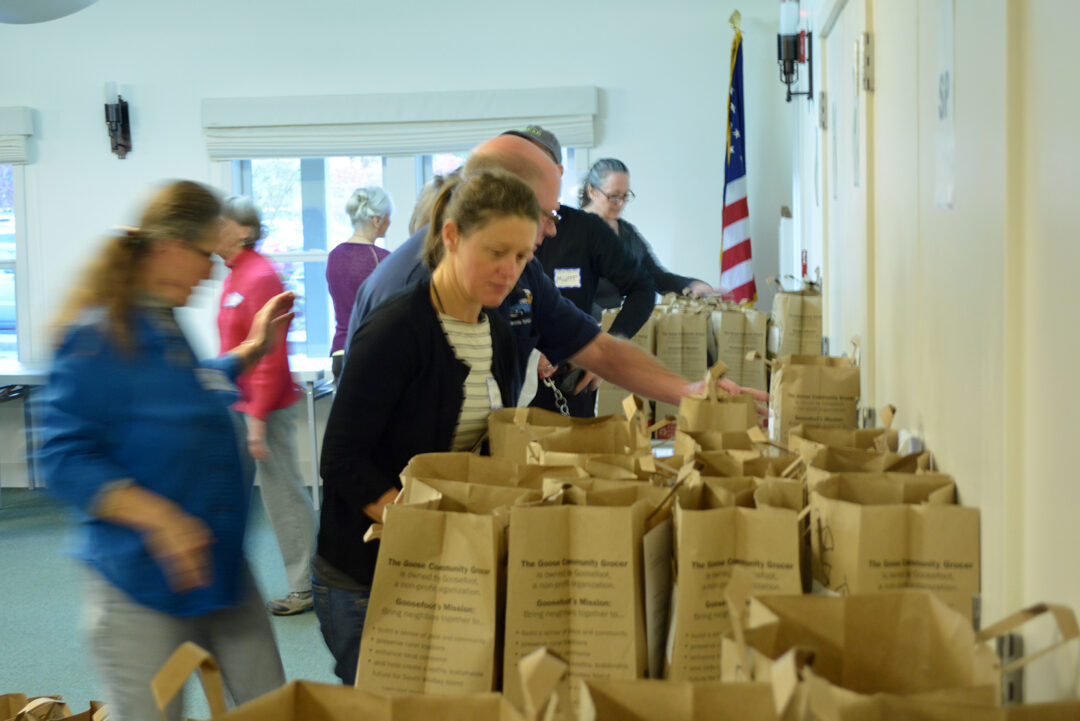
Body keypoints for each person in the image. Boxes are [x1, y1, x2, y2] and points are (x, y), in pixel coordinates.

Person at [39, 180, 292, 721]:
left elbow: (190, 388)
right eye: (206, 254)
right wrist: (159, 519)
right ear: (167, 247)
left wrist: (252, 349)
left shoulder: (165, 325)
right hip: (142, 583)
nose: (213, 270)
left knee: (272, 707)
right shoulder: (94, 338)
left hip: (221, 568)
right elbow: (62, 456)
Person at [345, 130, 767, 415]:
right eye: (545, 213)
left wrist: (688, 392)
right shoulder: (407, 289)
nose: (552, 227)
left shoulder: (522, 274)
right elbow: (354, 449)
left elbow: (598, 349)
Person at [314, 168, 537, 684]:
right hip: (368, 576)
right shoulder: (397, 330)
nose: (511, 271)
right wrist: (422, 531)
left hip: (447, 567)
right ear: (452, 236)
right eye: (496, 252)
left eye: (523, 257)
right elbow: (342, 461)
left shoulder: (497, 332)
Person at [216, 196, 318, 617]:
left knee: (283, 494)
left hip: (266, 407)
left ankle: (306, 585)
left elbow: (270, 357)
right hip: (239, 404)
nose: (213, 230)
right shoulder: (234, 275)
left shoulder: (259, 276)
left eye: (220, 223)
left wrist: (257, 419)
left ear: (242, 230)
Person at [580, 158, 719, 312]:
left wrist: (691, 285)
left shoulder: (628, 234)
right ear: (592, 191)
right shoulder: (571, 233)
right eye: (613, 196)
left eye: (625, 196)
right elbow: (567, 297)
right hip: (584, 329)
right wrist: (605, 322)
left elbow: (657, 277)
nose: (621, 203)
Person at [327, 187, 393, 383]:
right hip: (370, 353)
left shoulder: (334, 256)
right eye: (387, 217)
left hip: (340, 352)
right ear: (376, 220)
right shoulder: (383, 259)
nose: (389, 222)